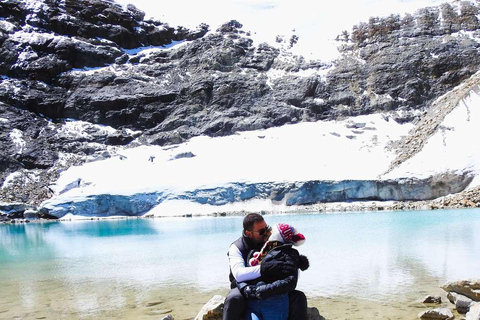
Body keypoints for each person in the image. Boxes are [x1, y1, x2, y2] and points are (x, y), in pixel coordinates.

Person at [223, 213, 308, 320]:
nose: (266, 233)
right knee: (233, 298)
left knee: (298, 297)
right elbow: (239, 274)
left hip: (269, 287)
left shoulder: (274, 244)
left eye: (267, 228)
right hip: (244, 286)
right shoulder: (237, 247)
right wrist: (267, 269)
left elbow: (291, 274)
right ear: (248, 233)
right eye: (261, 231)